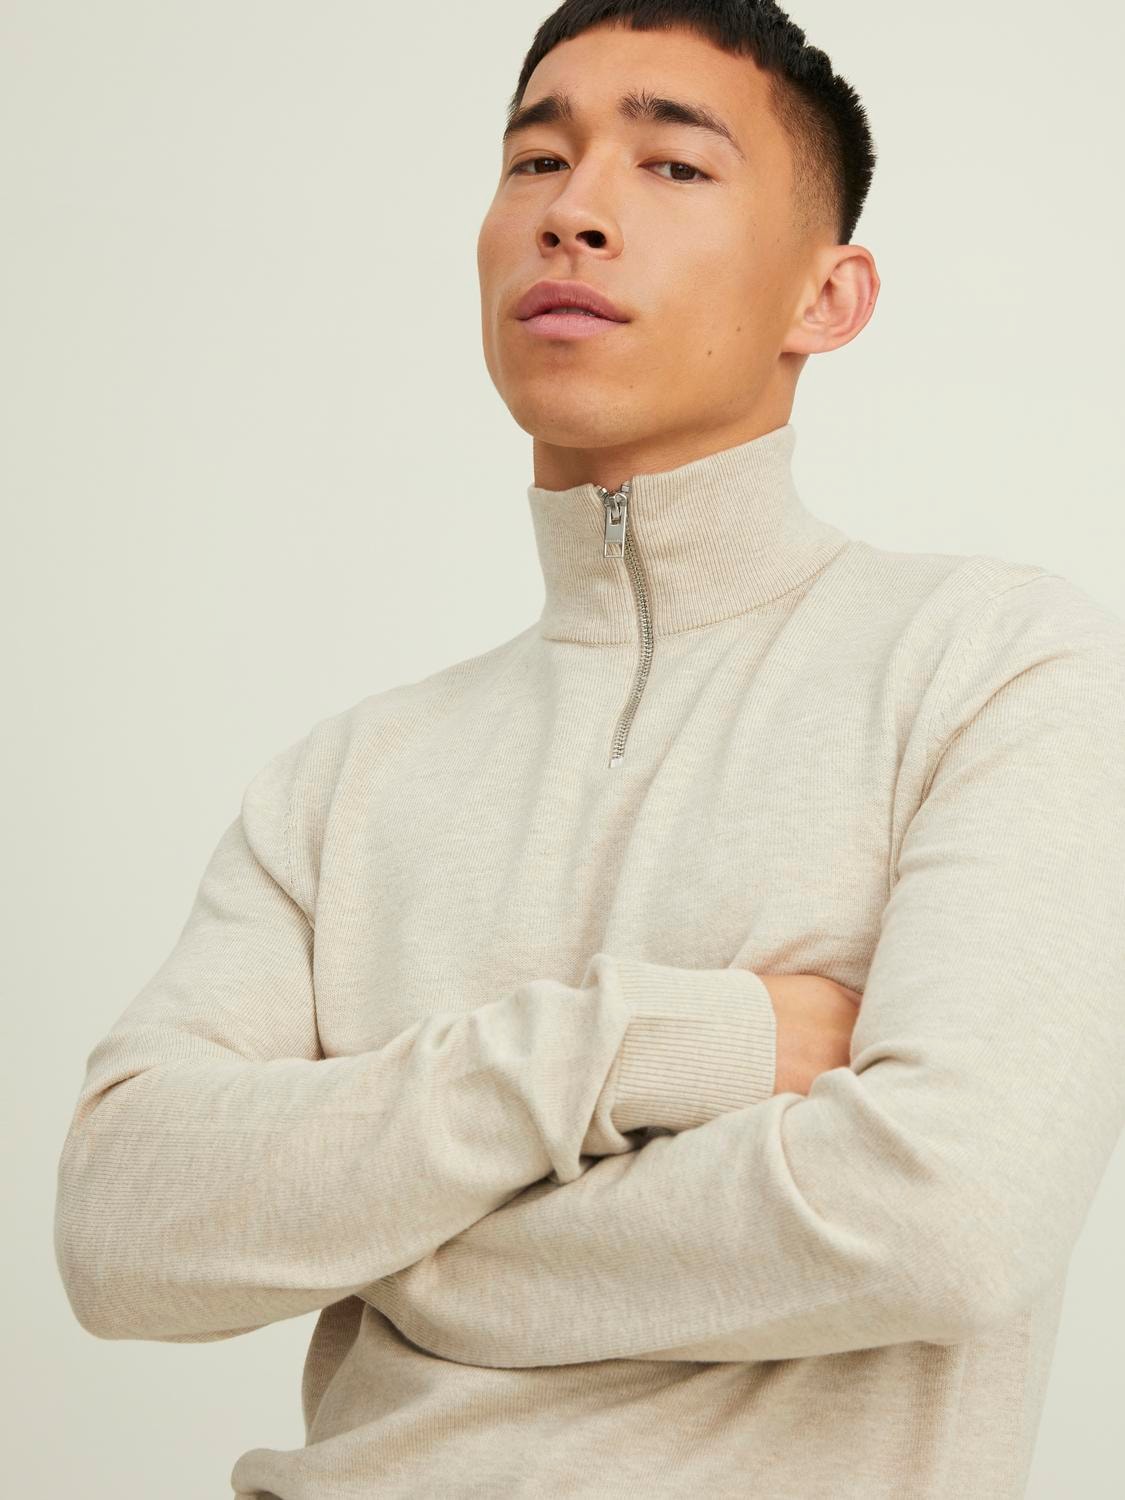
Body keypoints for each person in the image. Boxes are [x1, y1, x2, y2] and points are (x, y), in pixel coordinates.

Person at [54, 4, 1125, 1497]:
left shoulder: (992, 664)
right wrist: (669, 1045)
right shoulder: (346, 777)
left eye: (673, 166)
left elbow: (944, 1217)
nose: (575, 211)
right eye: (535, 160)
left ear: (826, 297)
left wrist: (396, 1252)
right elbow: (122, 1226)